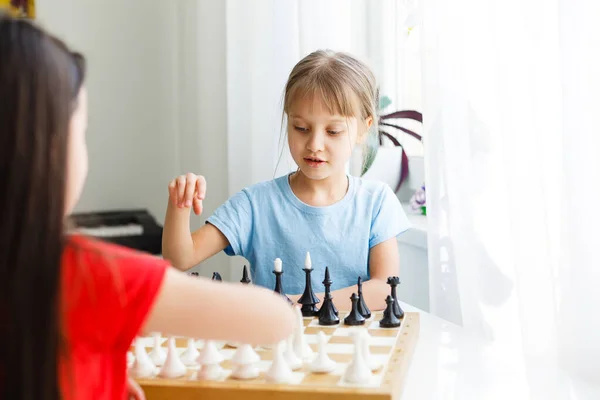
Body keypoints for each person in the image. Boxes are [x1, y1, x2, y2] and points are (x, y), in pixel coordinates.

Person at [0, 14, 296, 400]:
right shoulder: (90, 275)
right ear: (49, 151)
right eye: (81, 133)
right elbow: (274, 320)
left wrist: (98, 373)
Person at [162, 50, 410, 312]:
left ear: (363, 129)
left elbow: (383, 288)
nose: (314, 145)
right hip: (274, 349)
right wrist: (180, 203)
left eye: (333, 131)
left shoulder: (376, 202)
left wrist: (295, 304)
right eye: (301, 128)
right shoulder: (255, 204)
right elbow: (180, 258)